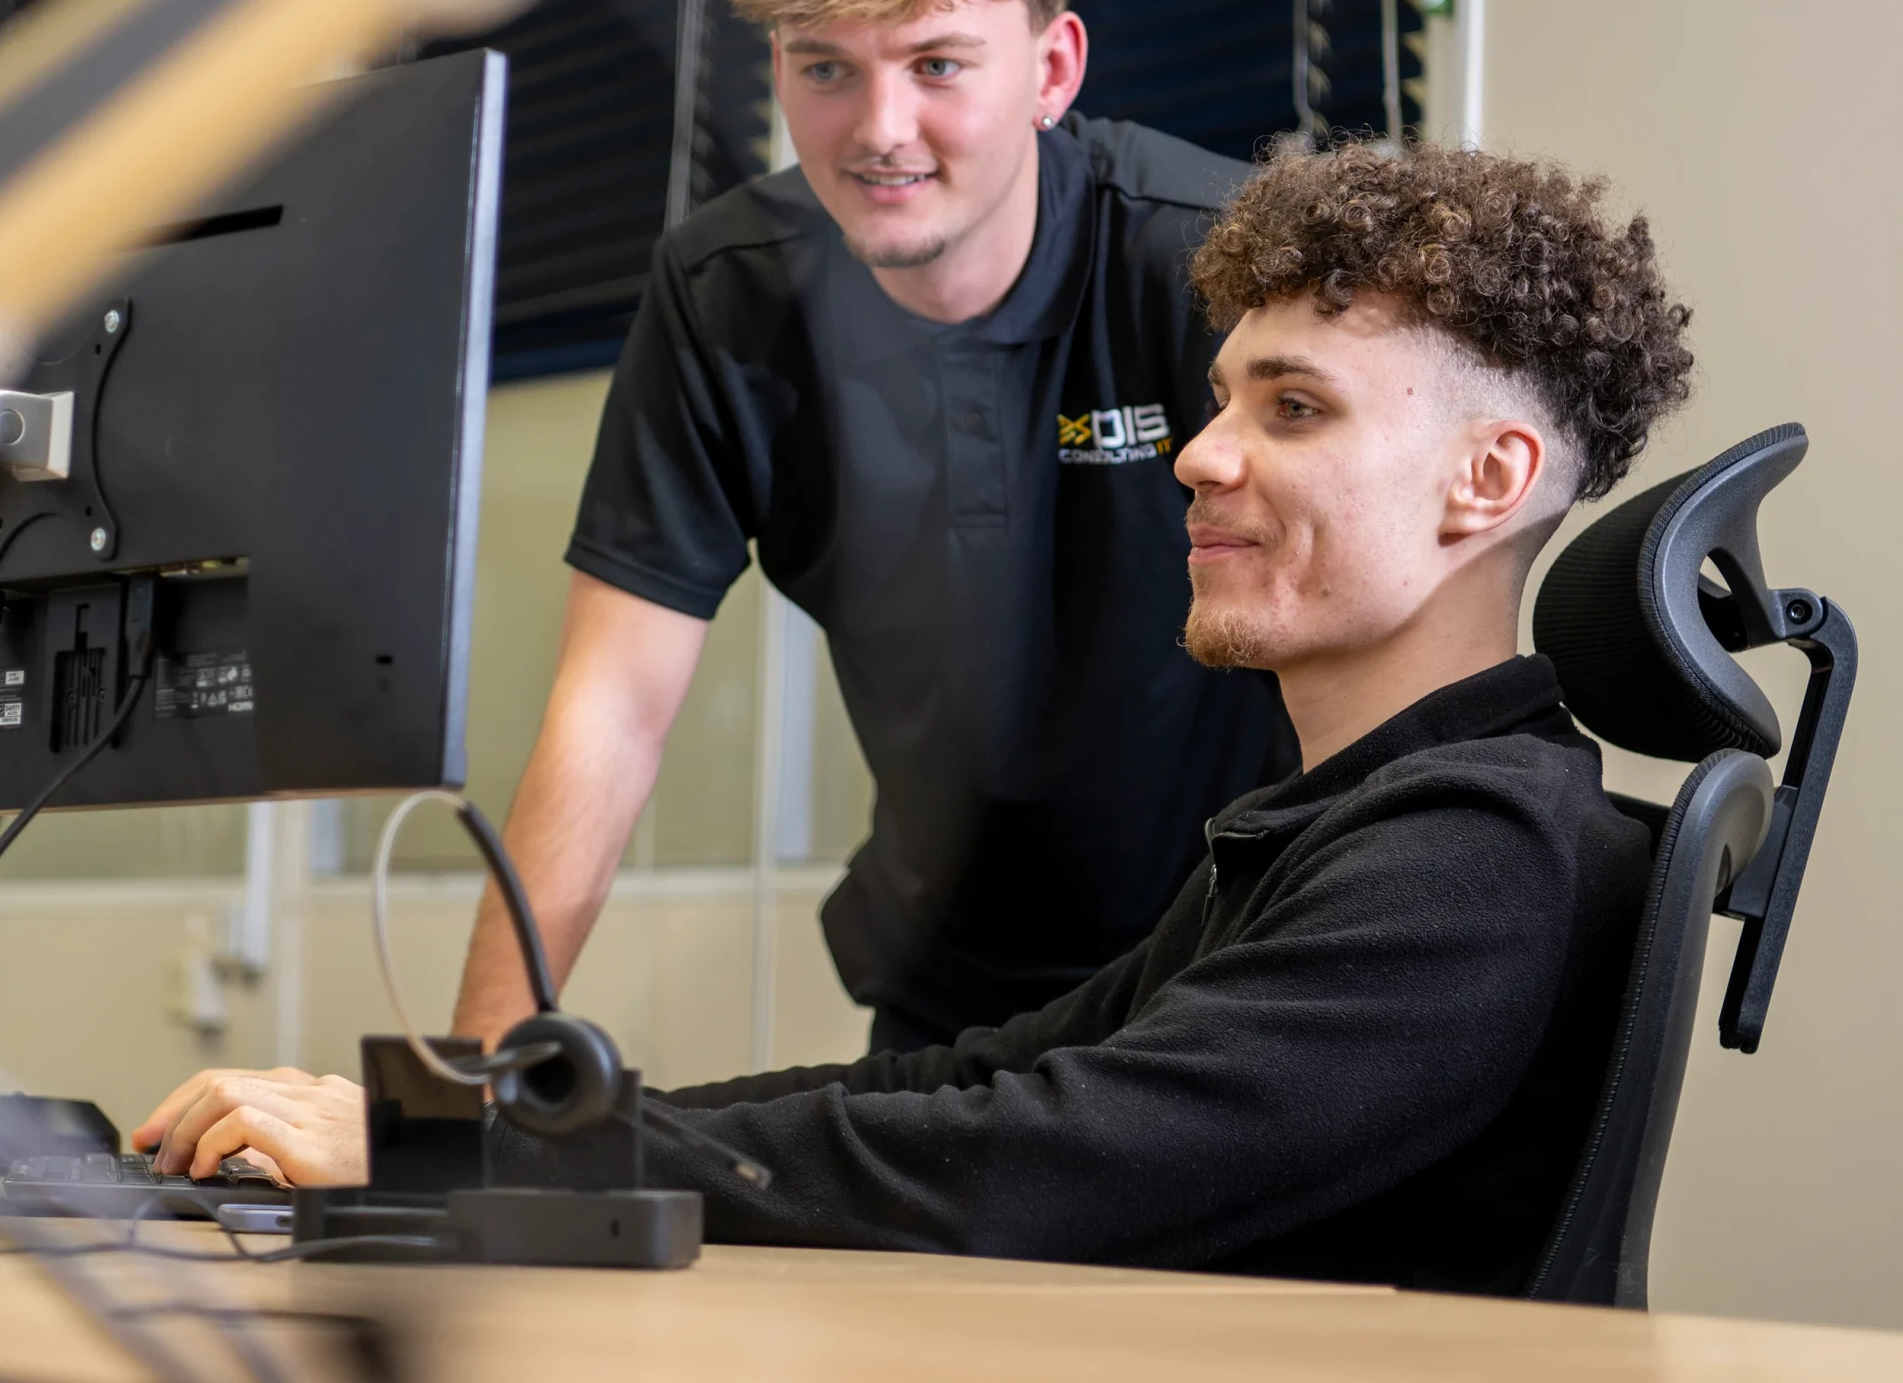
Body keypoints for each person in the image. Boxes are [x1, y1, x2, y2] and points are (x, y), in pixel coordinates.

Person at [132, 140, 1698, 1294]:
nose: (1201, 457)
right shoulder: (1344, 828)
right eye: (1221, 400)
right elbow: (963, 1085)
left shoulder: (1469, 864)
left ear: (1486, 482)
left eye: (1291, 408)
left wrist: (471, 1152)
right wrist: (478, 1120)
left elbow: (1040, 1163)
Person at [453, 0, 1294, 1057]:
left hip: (1237, 955)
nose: (878, 129)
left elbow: (1379, 635)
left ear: (1051, 71)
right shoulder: (725, 292)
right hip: (950, 986)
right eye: (824, 65)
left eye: (937, 64)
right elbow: (611, 708)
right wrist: (467, 1084)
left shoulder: (1209, 257)